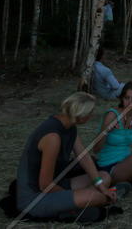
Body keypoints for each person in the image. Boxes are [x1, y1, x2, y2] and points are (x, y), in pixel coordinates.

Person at [15, 92, 126, 221]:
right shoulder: (53, 137)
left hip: (57, 183)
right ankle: (92, 202)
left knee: (104, 177)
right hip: (36, 197)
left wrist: (101, 186)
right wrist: (71, 195)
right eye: (90, 113)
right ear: (81, 115)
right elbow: (45, 185)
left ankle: (89, 200)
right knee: (97, 197)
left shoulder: (69, 126)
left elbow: (83, 156)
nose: (91, 116)